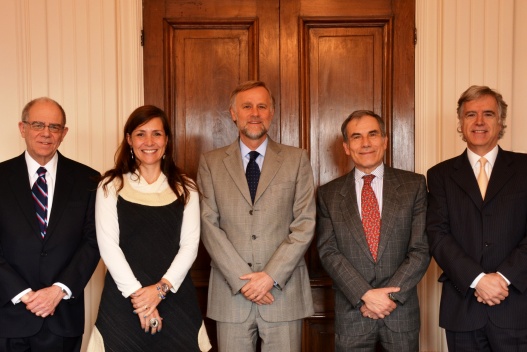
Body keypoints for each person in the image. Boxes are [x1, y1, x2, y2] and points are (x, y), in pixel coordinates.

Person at [197, 80, 316, 352]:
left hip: (282, 294)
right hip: (231, 295)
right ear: (233, 113)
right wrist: (244, 280)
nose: (255, 113)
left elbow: (305, 223)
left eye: (262, 106)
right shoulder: (211, 163)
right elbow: (208, 225)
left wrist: (269, 277)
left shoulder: (296, 159)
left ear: (271, 112)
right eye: (247, 106)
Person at [87, 105, 211, 351]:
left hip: (175, 297)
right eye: (141, 134)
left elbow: (189, 246)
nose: (149, 141)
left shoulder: (186, 187)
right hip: (124, 299)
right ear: (129, 140)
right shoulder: (111, 185)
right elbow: (108, 246)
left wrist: (160, 291)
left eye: (157, 133)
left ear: (166, 140)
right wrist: (142, 299)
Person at [316, 110, 430, 351]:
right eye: (356, 137)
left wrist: (387, 298)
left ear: (385, 141)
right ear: (346, 147)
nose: (365, 143)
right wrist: (365, 295)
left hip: (400, 311)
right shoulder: (328, 194)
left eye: (372, 134)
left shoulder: (414, 185)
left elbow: (420, 249)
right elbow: (328, 251)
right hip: (352, 313)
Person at [427, 85, 527, 351]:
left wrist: (503, 278)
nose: (479, 122)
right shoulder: (440, 175)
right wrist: (478, 280)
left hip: (516, 305)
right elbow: (437, 234)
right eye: (470, 114)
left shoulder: (524, 168)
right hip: (463, 307)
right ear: (461, 123)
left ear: (501, 121)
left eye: (488, 114)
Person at [0, 97, 100, 352]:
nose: (46, 133)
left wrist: (58, 290)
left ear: (64, 133)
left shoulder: (88, 179)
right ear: (23, 129)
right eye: (38, 125)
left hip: (63, 316)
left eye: (54, 127)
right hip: (8, 317)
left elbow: (93, 241)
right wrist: (23, 294)